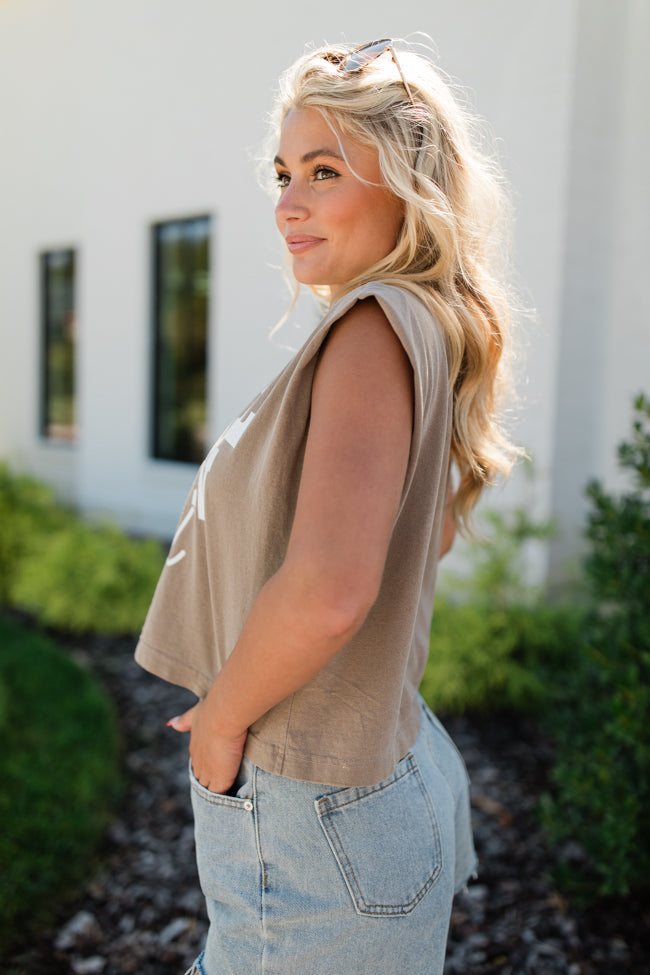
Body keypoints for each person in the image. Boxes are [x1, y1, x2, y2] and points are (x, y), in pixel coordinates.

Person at [134, 37, 520, 975]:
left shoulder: (369, 329)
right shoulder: (430, 326)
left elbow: (332, 586)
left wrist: (224, 719)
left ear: (408, 185)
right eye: (281, 173)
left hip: (309, 811)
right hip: (384, 773)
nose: (286, 205)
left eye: (323, 171)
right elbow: (415, 543)